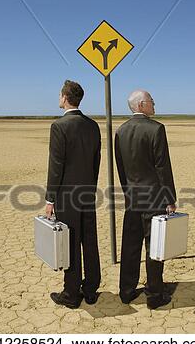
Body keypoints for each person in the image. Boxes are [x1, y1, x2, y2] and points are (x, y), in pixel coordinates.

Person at [114, 90, 177, 309]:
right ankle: (154, 295)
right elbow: (162, 167)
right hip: (155, 200)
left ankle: (126, 291)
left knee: (130, 247)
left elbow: (121, 169)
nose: (154, 104)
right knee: (155, 247)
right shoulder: (156, 129)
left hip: (132, 200)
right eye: (151, 101)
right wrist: (170, 198)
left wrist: (128, 193)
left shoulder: (121, 131)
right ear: (141, 105)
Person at [45, 80, 101, 309]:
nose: (59, 98)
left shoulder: (59, 126)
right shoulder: (92, 125)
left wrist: (50, 198)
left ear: (66, 97)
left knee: (70, 243)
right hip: (87, 192)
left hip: (67, 196)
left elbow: (56, 165)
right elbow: (96, 161)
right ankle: (90, 289)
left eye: (60, 94)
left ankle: (71, 294)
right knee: (89, 241)